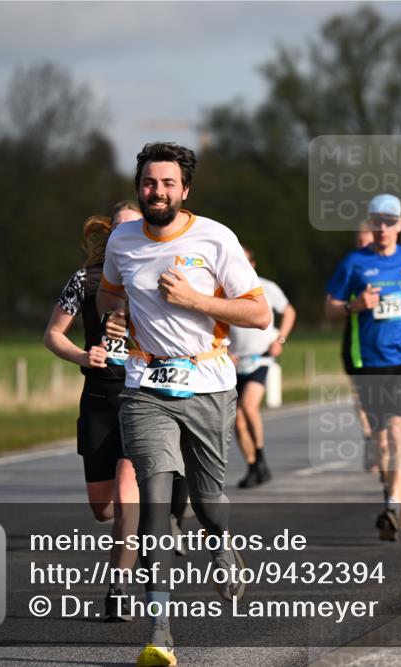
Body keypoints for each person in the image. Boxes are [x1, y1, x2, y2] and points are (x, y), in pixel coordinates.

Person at [98, 142, 271, 666]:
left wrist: (194, 301)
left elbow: (259, 314)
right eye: (150, 183)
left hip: (209, 384)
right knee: (154, 504)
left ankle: (220, 542)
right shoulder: (123, 239)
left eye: (168, 183)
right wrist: (116, 318)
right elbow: (109, 292)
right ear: (139, 187)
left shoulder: (215, 238)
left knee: (207, 501)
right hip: (145, 385)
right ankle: (159, 631)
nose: (158, 192)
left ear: (185, 189)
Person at [44, 201, 189, 623]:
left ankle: (119, 587)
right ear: (110, 236)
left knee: (128, 492)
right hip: (99, 398)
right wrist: (80, 355)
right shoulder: (84, 281)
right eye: (121, 231)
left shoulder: (162, 280)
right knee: (102, 507)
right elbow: (52, 334)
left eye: (137, 229)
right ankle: (149, 517)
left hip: (142, 394)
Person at [325, 193, 401, 541]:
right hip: (368, 360)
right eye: (377, 221)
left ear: (400, 225)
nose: (384, 227)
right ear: (370, 224)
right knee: (382, 440)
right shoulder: (353, 263)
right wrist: (355, 305)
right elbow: (330, 308)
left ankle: (395, 504)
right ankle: (390, 494)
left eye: (390, 222)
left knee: (400, 429)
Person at [229, 246, 296, 489]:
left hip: (261, 358)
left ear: (253, 264)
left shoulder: (266, 287)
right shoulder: (226, 289)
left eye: (246, 262)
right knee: (237, 419)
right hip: (236, 361)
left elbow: (289, 312)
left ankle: (261, 458)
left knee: (249, 406)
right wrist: (225, 350)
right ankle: (253, 466)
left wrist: (280, 340)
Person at [341, 224, 378, 472]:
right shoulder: (352, 268)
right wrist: (353, 304)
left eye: (367, 242)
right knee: (362, 397)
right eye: (359, 242)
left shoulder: (390, 265)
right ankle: (370, 437)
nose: (363, 246)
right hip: (356, 343)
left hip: (390, 345)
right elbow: (333, 303)